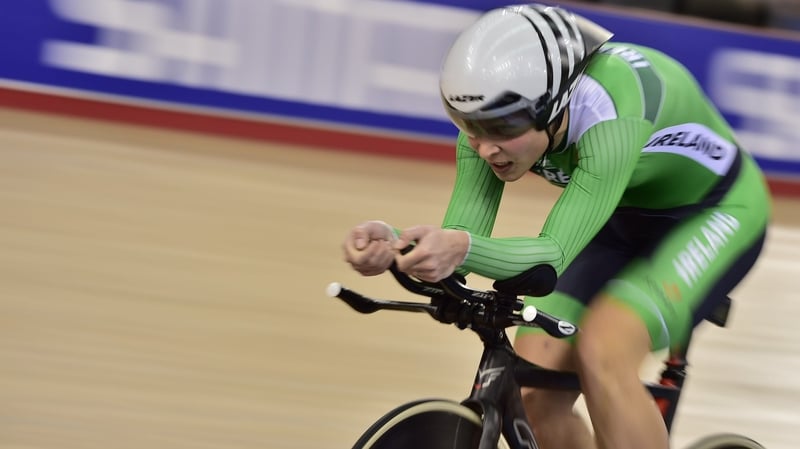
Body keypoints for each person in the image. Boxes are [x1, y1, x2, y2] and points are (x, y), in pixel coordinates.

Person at [341, 4, 771, 449]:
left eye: (502, 128)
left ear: (553, 107)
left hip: (715, 213)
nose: (485, 148)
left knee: (604, 351)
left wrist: (460, 248)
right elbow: (459, 243)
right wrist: (397, 247)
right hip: (618, 215)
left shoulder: (611, 109)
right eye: (470, 127)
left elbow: (550, 255)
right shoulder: (490, 119)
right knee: (532, 395)